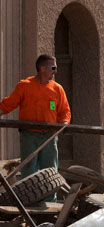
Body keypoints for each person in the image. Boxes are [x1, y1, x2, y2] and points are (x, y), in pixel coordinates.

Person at [0, 54, 71, 185]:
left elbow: (64, 111)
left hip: (49, 136)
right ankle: (30, 200)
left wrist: (64, 123)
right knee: (29, 170)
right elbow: (8, 104)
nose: (55, 71)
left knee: (50, 171)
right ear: (42, 68)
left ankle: (50, 202)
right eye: (53, 67)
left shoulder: (57, 89)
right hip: (29, 135)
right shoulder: (25, 86)